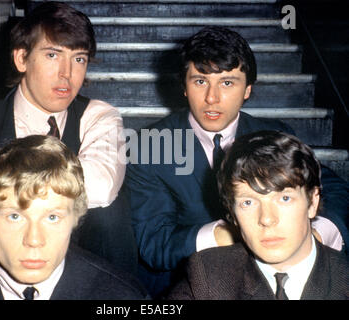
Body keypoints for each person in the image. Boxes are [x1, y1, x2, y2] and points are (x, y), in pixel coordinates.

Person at [124, 26, 348, 298]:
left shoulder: (274, 135)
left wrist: (319, 233)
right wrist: (227, 235)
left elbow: (334, 188)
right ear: (183, 87)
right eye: (200, 81)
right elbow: (155, 245)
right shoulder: (150, 144)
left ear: (248, 90)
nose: (212, 98)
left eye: (227, 82)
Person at [0, 2, 137, 274]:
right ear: (21, 59)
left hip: (74, 265)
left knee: (112, 213)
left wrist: (2, 192)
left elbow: (102, 188)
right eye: (53, 55)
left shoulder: (98, 116)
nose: (67, 73)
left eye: (79, 59)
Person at [0, 135, 148, 300]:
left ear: (75, 218)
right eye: (15, 216)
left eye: (52, 217)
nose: (34, 240)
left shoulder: (121, 296)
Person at [168, 131, 348, 300]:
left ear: (313, 203)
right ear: (232, 213)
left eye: (284, 198)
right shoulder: (207, 275)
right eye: (248, 203)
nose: (266, 219)